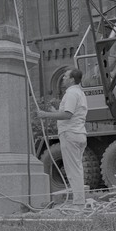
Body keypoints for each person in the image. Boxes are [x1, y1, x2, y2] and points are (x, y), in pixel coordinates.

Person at [37, 67, 89, 207]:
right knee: (76, 168)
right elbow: (69, 114)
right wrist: (55, 112)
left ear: (72, 79)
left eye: (66, 76)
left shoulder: (71, 93)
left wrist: (45, 115)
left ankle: (78, 203)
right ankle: (80, 200)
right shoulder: (79, 93)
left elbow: (68, 115)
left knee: (73, 170)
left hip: (71, 134)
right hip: (78, 133)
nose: (63, 78)